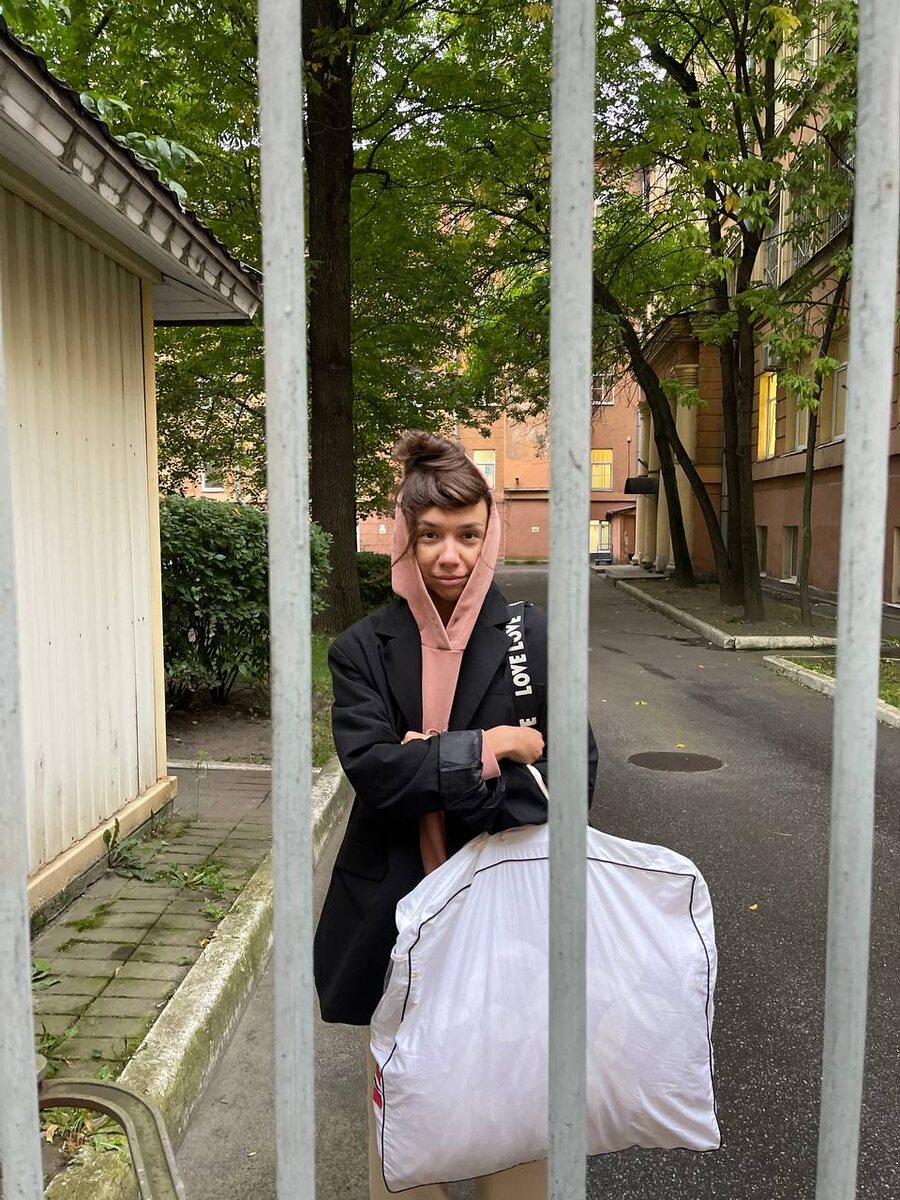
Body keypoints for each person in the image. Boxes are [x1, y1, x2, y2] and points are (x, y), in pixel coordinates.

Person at [314, 431, 598, 1198]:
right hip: (399, 919)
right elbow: (377, 777)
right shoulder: (362, 649)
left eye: (468, 535)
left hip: (508, 915)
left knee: (515, 1122)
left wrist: (433, 761)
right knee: (405, 1130)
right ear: (404, 538)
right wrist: (492, 748)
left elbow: (573, 779)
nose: (450, 556)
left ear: (490, 534)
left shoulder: (531, 638)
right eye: (431, 535)